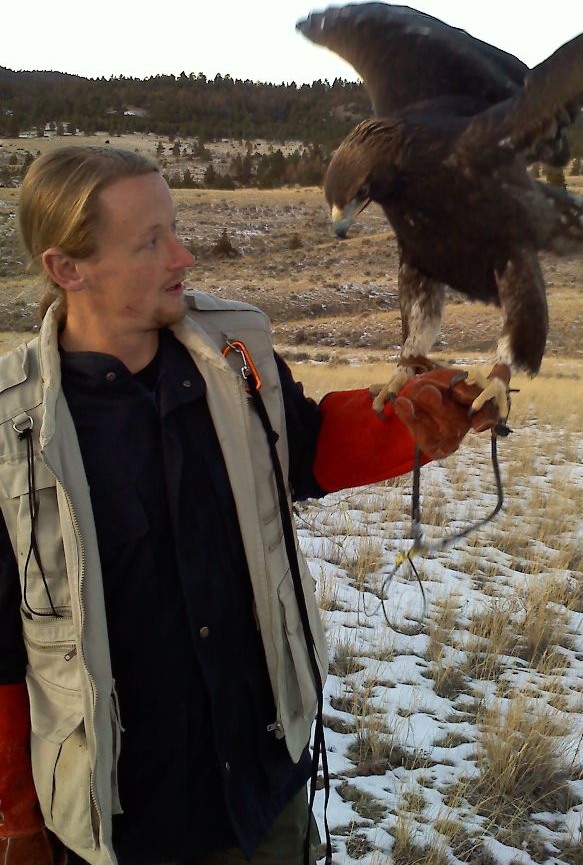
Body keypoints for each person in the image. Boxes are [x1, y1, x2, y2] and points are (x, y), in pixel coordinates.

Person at [0, 146, 502, 865]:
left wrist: (414, 418)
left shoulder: (237, 355)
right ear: (67, 269)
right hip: (121, 820)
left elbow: (301, 452)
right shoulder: (15, 430)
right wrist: (17, 815)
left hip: (263, 793)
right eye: (151, 242)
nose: (184, 255)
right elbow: (2, 649)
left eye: (176, 228)